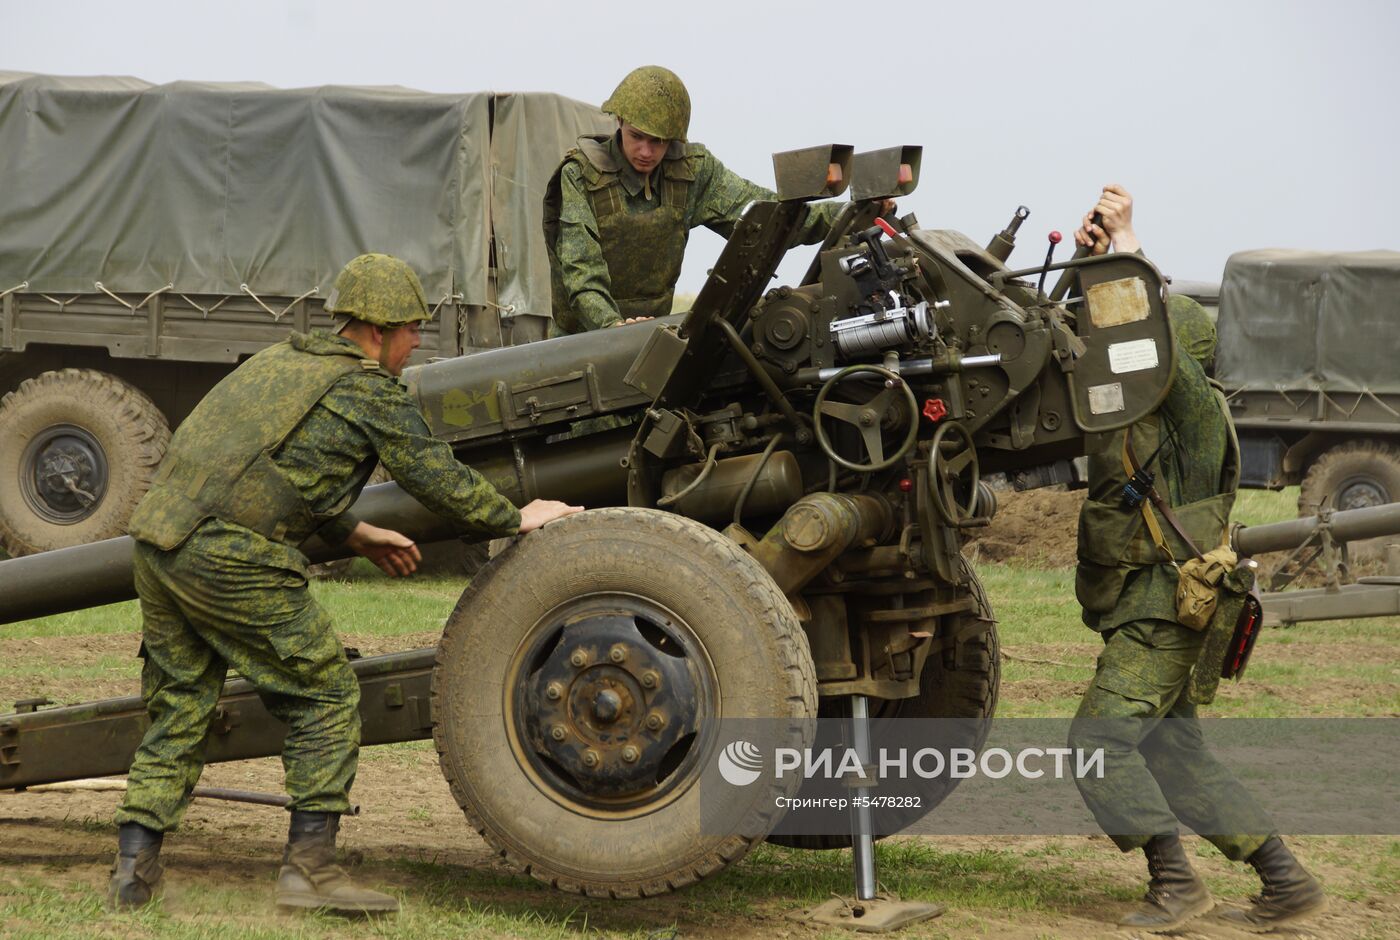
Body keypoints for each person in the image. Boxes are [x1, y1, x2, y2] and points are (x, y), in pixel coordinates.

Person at [107, 253, 582, 914]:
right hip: (228, 554)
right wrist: (515, 515)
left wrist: (349, 532)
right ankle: (310, 868)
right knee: (327, 692)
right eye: (413, 329)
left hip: (159, 545)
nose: (418, 343)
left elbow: (268, 465)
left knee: (183, 704)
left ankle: (134, 866)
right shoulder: (364, 388)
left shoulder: (280, 364)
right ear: (379, 329)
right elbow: (433, 476)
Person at [1067, 188, 1327, 932]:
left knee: (1096, 745)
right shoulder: (1132, 411)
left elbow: (1156, 335)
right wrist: (1095, 259)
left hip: (1164, 606)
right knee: (1176, 754)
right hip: (1144, 604)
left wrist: (1130, 248)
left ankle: (1176, 884)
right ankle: (1286, 881)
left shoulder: (1192, 411)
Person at [543, 65, 847, 334]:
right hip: (580, 344)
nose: (646, 152)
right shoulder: (581, 175)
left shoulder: (692, 171)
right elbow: (582, 273)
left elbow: (766, 219)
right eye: (637, 136)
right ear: (619, 121)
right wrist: (612, 328)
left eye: (659, 141)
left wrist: (847, 214)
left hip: (650, 339)